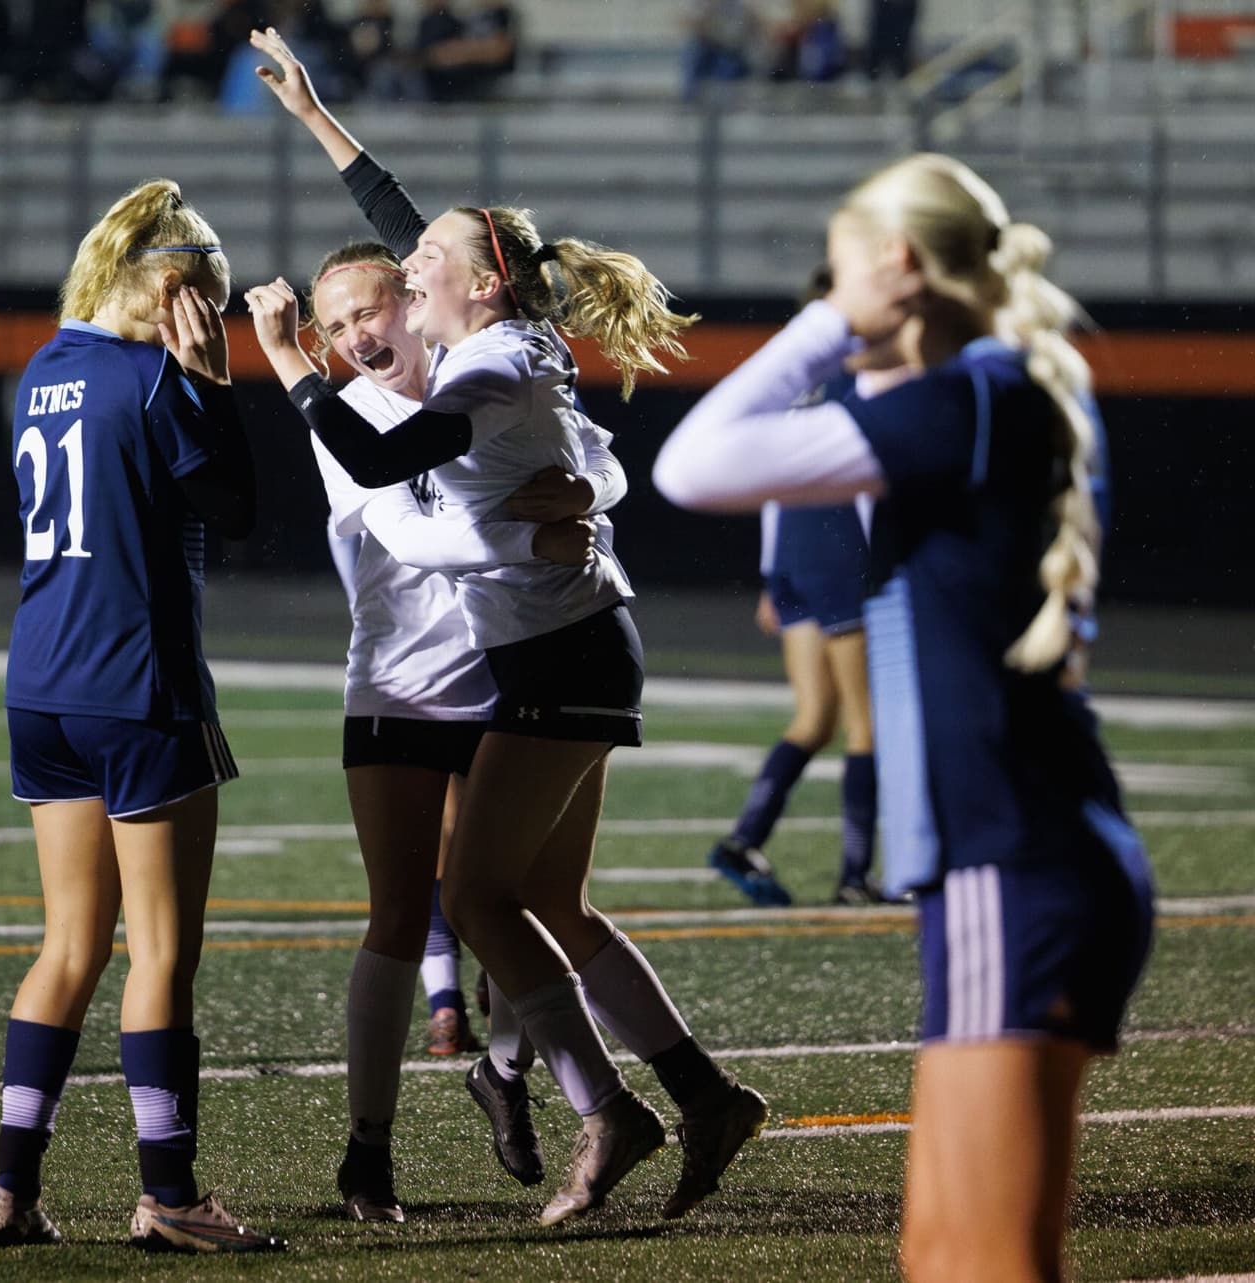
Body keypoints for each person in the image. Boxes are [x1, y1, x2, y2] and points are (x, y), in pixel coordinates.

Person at [246, 26, 768, 1229]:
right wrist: (318, 116)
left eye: (422, 259)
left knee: (479, 900)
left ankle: (613, 1111)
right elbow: (411, 220)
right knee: (550, 903)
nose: (405, 261)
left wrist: (285, 367)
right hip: (560, 648)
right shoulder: (496, 331)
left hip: (558, 659)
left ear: (472, 284)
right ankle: (697, 1091)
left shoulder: (483, 370)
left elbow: (381, 457)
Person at [653, 152, 1154, 1282]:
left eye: (842, 277)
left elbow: (694, 462)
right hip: (1021, 852)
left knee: (977, 1262)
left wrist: (830, 322)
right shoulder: (991, 390)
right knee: (946, 1256)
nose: (833, 306)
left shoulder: (972, 400)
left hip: (1007, 858)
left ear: (900, 270)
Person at [287, 238, 625, 1220]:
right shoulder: (346, 415)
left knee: (510, 905)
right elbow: (410, 535)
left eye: (372, 310)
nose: (357, 336)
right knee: (399, 915)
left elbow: (603, 467)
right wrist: (535, 533)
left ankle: (509, 1069)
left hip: (504, 680)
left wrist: (590, 493)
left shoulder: (491, 371)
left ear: (416, 298)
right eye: (338, 324)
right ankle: (369, 1156)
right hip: (394, 687)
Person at [0, 178, 281, 1254]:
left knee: (68, 945)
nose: (209, 316)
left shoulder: (44, 368)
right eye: (207, 300)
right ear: (170, 292)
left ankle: (11, 1186)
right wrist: (215, 381)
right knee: (160, 953)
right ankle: (169, 1192)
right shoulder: (160, 376)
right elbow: (235, 510)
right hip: (140, 688)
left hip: (41, 684)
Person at [708, 266, 883, 909]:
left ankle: (745, 838)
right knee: (868, 727)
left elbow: (773, 485)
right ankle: (855, 876)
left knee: (815, 719)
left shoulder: (793, 383)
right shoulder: (859, 377)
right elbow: (868, 485)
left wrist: (769, 577)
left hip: (794, 560)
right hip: (844, 556)